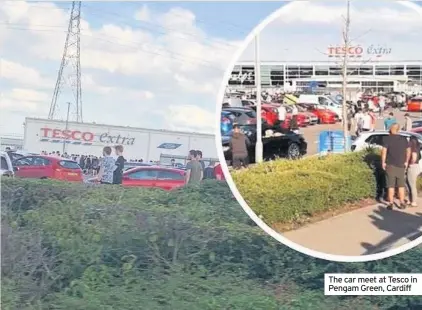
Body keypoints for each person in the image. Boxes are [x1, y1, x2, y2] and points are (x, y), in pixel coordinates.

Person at [381, 124, 411, 210]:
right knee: (401, 186)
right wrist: (406, 161)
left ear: (391, 129)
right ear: (398, 130)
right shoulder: (404, 139)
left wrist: (383, 162)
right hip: (401, 165)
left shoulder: (387, 139)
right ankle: (401, 203)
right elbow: (408, 150)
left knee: (391, 186)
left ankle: (391, 203)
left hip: (390, 165)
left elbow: (384, 151)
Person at [406, 136, 420, 207]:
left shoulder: (413, 147)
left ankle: (414, 201)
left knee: (411, 185)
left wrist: (410, 163)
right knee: (409, 184)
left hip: (412, 166)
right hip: (416, 166)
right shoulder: (417, 147)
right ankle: (410, 200)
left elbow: (414, 157)